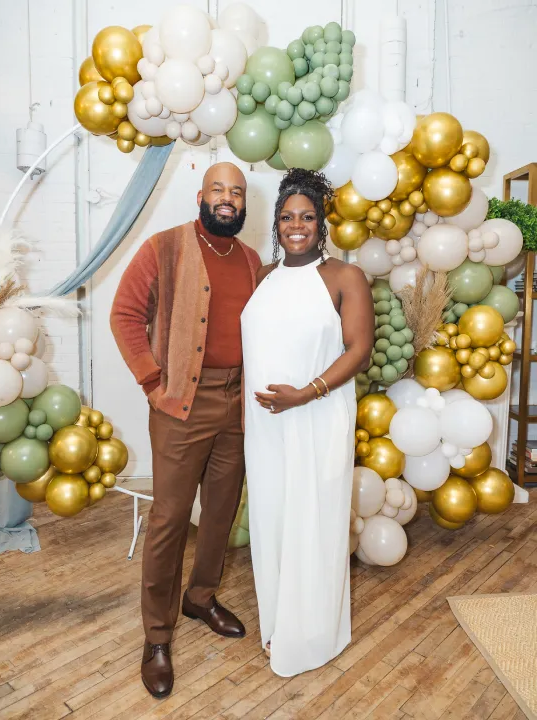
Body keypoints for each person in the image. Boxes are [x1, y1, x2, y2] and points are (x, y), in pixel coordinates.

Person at [111, 162, 261, 698]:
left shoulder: (251, 261)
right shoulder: (165, 248)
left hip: (237, 404)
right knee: (170, 519)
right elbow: (125, 313)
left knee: (221, 513)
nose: (228, 199)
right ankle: (156, 636)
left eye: (237, 192)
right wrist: (153, 381)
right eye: (219, 189)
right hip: (179, 405)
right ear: (201, 196)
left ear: (244, 204)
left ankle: (200, 597)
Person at [241, 168, 375, 677]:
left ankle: (314, 632)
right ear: (276, 224)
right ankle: (277, 621)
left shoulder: (344, 277)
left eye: (307, 217)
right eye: (287, 217)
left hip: (318, 416)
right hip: (266, 424)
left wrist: (305, 394)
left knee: (314, 522)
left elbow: (359, 350)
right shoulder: (264, 277)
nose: (296, 225)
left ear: (322, 224)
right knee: (274, 520)